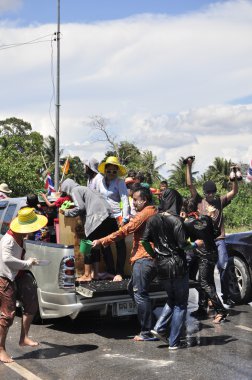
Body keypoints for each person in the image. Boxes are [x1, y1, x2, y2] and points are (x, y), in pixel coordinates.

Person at [92, 187, 158, 341]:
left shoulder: (145, 213)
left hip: (143, 258)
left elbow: (126, 230)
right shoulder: (154, 211)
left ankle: (147, 331)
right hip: (147, 258)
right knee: (133, 289)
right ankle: (150, 323)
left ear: (145, 200)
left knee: (140, 294)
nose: (133, 203)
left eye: (135, 199)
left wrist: (102, 241)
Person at [186, 157, 239, 306]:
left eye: (212, 193)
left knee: (223, 264)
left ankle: (226, 295)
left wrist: (234, 178)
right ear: (204, 193)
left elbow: (234, 192)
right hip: (204, 242)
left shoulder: (219, 201)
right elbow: (190, 184)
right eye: (208, 193)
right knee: (205, 273)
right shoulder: (199, 201)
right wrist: (188, 166)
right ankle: (210, 300)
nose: (210, 196)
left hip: (219, 239)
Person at [142, 189, 189, 350]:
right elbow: (183, 245)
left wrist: (154, 254)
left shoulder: (153, 219)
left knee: (171, 298)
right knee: (181, 304)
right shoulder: (177, 221)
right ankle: (174, 342)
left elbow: (145, 241)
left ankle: (159, 327)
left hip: (161, 266)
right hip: (177, 265)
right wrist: (196, 244)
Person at [0, 207, 48, 363]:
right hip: (5, 277)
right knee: (8, 315)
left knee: (32, 301)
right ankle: (0, 349)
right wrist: (27, 263)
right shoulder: (8, 240)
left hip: (19, 275)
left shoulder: (22, 237)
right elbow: (7, 259)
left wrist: (28, 263)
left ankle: (24, 337)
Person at [59, 178, 115, 282]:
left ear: (67, 188)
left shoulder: (75, 190)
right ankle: (96, 274)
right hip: (109, 217)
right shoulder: (86, 188)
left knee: (87, 246)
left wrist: (66, 212)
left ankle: (87, 274)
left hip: (97, 217)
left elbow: (80, 207)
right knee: (96, 246)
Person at [183, 198, 228, 324]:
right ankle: (203, 308)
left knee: (204, 283)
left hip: (203, 256)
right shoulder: (206, 218)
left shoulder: (187, 223)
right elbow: (217, 232)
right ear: (197, 208)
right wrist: (206, 235)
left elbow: (183, 242)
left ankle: (221, 311)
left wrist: (195, 243)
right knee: (205, 282)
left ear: (185, 210)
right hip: (213, 253)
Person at [94, 156, 130, 281]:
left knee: (120, 244)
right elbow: (95, 197)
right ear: (105, 170)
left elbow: (125, 200)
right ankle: (110, 271)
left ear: (117, 172)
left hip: (116, 217)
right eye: (109, 171)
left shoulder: (120, 182)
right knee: (105, 244)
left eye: (114, 171)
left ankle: (119, 272)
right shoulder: (99, 181)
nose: (111, 173)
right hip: (103, 217)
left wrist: (125, 218)